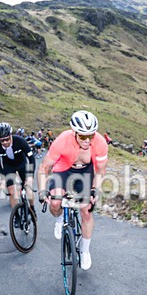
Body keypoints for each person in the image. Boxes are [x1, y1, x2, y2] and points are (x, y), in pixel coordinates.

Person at [38, 110, 108, 271]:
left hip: (85, 173)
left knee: (86, 210)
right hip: (64, 170)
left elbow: (101, 171)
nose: (87, 140)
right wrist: (42, 191)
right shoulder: (63, 140)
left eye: (91, 135)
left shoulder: (100, 143)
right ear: (74, 132)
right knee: (55, 202)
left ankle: (85, 250)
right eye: (83, 136)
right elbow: (44, 167)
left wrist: (94, 190)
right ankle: (59, 219)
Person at [0, 122, 36, 213]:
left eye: (7, 139)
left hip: (22, 164)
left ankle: (32, 208)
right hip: (9, 166)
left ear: (11, 135)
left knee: (28, 189)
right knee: (12, 192)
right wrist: (3, 178)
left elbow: (31, 158)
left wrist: (30, 176)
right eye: (2, 140)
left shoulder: (20, 141)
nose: (5, 142)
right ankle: (16, 215)